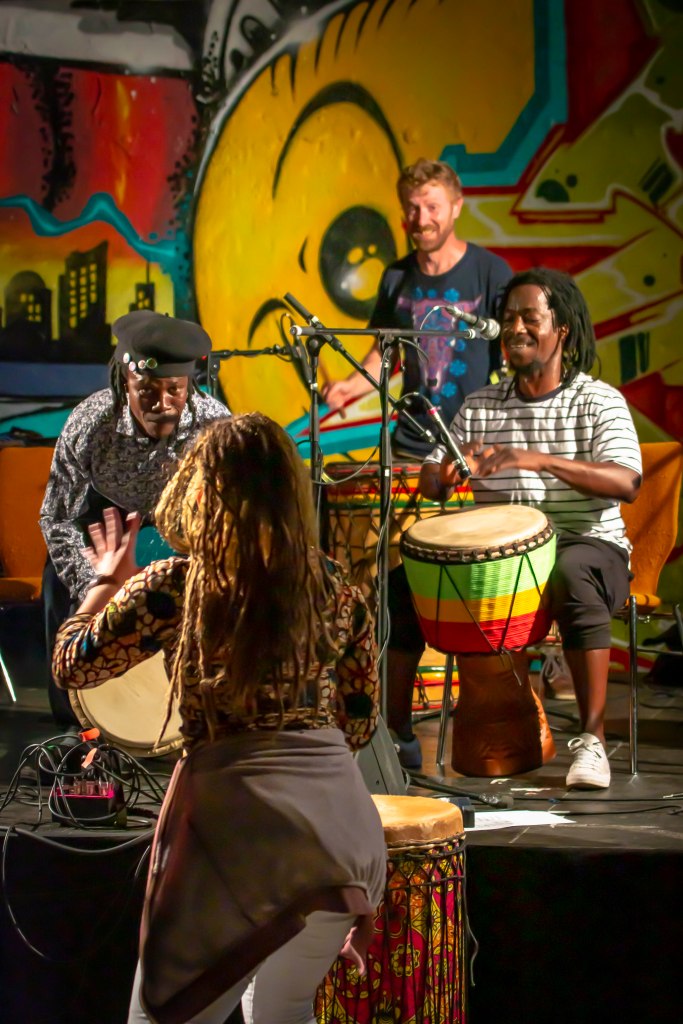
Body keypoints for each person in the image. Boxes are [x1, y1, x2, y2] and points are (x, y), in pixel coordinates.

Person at [51, 413, 386, 1024]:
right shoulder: (336, 586)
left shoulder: (178, 585)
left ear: (203, 489)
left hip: (240, 833)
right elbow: (358, 724)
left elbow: (72, 665)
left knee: (160, 1016)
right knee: (285, 1010)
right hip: (343, 838)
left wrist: (104, 583)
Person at [419, 267, 643, 789]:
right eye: (508, 318)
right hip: (502, 563)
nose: (515, 327)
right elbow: (431, 479)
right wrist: (444, 475)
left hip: (589, 547)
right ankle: (394, 737)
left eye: (529, 317)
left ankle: (592, 741)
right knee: (400, 586)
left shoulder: (597, 400)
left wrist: (537, 459)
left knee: (571, 569)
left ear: (561, 329)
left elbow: (626, 482)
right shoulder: (480, 405)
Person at [323, 157, 512, 769]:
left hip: (471, 449)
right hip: (408, 447)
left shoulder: (491, 272)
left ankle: (490, 717)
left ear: (455, 207)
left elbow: (510, 358)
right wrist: (350, 388)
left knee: (474, 584)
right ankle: (394, 725)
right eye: (411, 206)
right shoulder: (397, 277)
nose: (420, 217)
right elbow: (383, 356)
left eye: (431, 206)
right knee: (397, 583)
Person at [40, 309, 229, 722]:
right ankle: (74, 729)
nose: (163, 404)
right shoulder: (91, 422)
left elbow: (229, 514)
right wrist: (95, 585)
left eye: (175, 389)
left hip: (178, 536)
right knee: (57, 586)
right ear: (125, 381)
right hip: (100, 531)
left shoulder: (214, 424)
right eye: (146, 390)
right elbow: (56, 516)